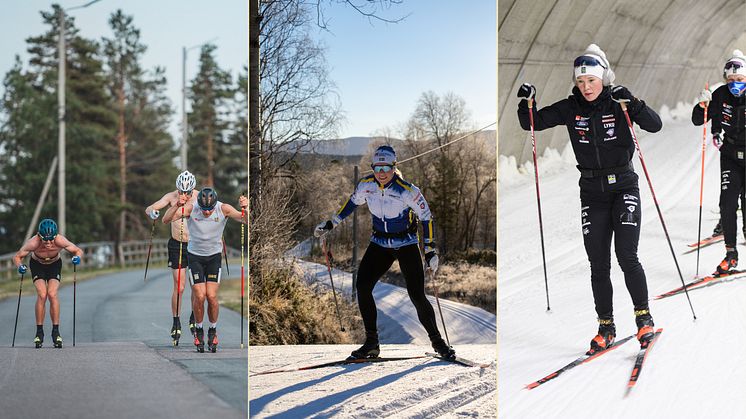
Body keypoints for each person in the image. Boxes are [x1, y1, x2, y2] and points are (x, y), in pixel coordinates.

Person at [516, 44, 663, 353]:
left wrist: (633, 103)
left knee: (627, 255)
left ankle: (644, 319)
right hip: (592, 193)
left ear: (603, 78)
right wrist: (527, 103)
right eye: (581, 82)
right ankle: (605, 327)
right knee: (598, 263)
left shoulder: (618, 101)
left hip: (624, 187)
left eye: (592, 81)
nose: (586, 87)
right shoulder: (571, 107)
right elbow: (532, 122)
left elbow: (655, 124)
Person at [314, 145, 455, 360]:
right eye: (377, 168)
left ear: (393, 167)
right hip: (380, 243)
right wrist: (331, 224)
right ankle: (371, 343)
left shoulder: (408, 190)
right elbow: (351, 204)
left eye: (386, 168)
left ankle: (438, 343)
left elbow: (426, 217)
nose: (381, 173)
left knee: (416, 295)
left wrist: (430, 249)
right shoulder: (366, 185)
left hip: (406, 243)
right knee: (362, 286)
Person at [163, 187, 247, 352]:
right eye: (204, 209)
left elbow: (245, 220)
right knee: (200, 296)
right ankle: (199, 330)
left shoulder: (224, 208)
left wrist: (246, 208)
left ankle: (213, 331)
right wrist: (176, 206)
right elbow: (166, 220)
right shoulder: (191, 208)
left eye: (210, 209)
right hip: (195, 257)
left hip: (214, 258)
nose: (207, 213)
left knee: (212, 296)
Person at [693, 49, 746, 274]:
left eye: (740, 79)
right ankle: (731, 254)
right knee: (727, 202)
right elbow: (698, 120)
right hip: (730, 154)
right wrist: (702, 105)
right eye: (731, 79)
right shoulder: (720, 94)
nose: (735, 84)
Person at [145, 170, 198, 345]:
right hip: (177, 244)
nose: (184, 195)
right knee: (180, 286)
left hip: (196, 244)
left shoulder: (199, 197)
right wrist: (152, 212)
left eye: (187, 192)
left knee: (196, 287)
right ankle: (176, 321)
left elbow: (215, 209)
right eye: (181, 191)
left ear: (193, 189)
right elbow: (150, 207)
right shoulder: (171, 196)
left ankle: (193, 315)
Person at [13, 219, 83, 348]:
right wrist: (19, 266)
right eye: (46, 240)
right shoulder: (33, 242)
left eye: (51, 239)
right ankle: (39, 332)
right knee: (42, 294)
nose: (49, 243)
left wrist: (77, 258)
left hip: (54, 265)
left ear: (55, 236)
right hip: (37, 265)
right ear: (40, 236)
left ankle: (55, 332)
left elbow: (78, 250)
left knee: (52, 294)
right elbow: (17, 257)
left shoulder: (60, 240)